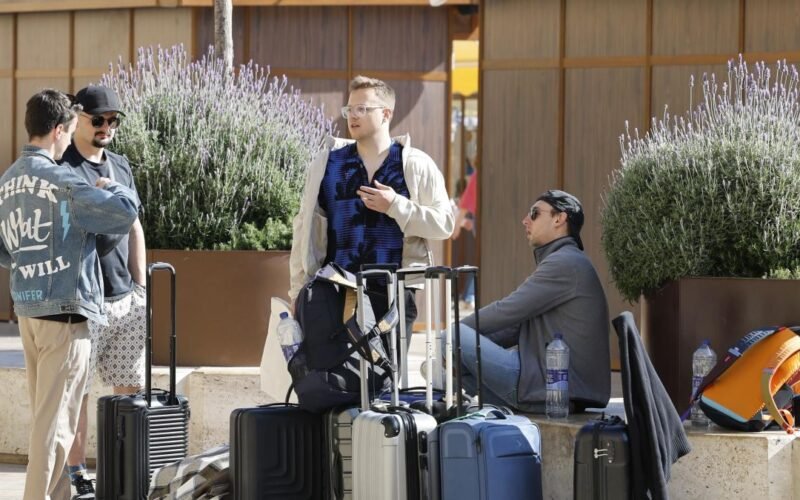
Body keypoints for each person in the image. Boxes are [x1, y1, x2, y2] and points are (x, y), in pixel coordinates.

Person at [0, 89, 139, 500]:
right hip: (66, 314)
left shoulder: (8, 181)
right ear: (59, 130)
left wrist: (31, 262)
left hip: (29, 310)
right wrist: (114, 188)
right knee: (56, 426)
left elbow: (4, 251)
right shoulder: (65, 181)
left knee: (47, 417)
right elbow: (124, 214)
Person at [289, 75, 454, 359]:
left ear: (386, 114)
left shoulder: (415, 164)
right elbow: (304, 228)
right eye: (349, 109)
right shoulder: (327, 163)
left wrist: (396, 205)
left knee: (386, 380)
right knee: (333, 378)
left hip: (394, 293)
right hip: (334, 291)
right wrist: (297, 292)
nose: (353, 116)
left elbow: (444, 225)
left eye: (362, 109)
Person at [59, 85, 146, 499]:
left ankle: (123, 469)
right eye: (98, 119)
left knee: (128, 387)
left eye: (113, 120)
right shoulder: (63, 167)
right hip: (83, 300)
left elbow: (134, 226)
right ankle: (76, 472)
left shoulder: (121, 166)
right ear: (77, 118)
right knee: (77, 392)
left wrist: (141, 287)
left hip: (125, 298)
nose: (106, 127)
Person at [455, 189, 610, 412]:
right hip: (554, 387)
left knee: (453, 337)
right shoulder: (565, 260)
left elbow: (507, 310)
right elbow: (515, 327)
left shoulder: (565, 263)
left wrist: (453, 337)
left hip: (552, 387)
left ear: (559, 218)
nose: (525, 220)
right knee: (454, 371)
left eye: (534, 213)